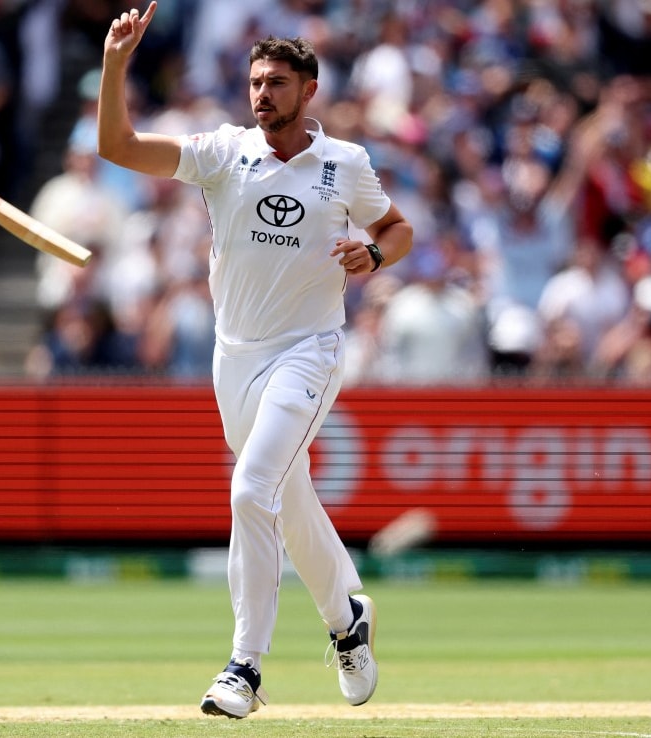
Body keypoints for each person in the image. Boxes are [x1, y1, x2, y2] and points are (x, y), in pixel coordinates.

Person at [98, 2, 413, 719]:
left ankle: (245, 667)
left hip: (309, 351)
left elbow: (398, 228)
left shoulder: (344, 164)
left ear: (309, 90)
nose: (262, 94)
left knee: (250, 490)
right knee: (287, 497)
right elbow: (118, 145)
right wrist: (116, 63)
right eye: (255, 82)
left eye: (276, 82)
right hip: (234, 358)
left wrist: (374, 254)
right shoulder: (222, 152)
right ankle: (347, 619)